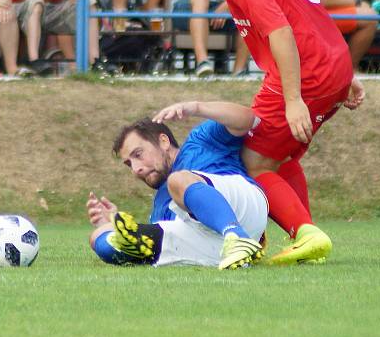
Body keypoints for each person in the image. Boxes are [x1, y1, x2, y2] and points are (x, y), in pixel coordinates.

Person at [167, 0, 365, 265]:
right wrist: (341, 75)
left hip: (307, 72)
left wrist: (293, 99)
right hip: (329, 64)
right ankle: (307, 240)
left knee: (253, 159)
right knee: (278, 154)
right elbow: (308, 9)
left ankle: (305, 233)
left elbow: (281, 31)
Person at [87, 101, 267, 269]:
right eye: (129, 164)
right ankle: (238, 248)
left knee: (177, 180)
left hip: (242, 208)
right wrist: (114, 223)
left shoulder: (200, 141)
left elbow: (247, 119)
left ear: (163, 141)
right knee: (100, 237)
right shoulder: (161, 203)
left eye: (138, 154)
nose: (136, 169)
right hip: (211, 247)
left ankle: (236, 236)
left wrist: (195, 107)